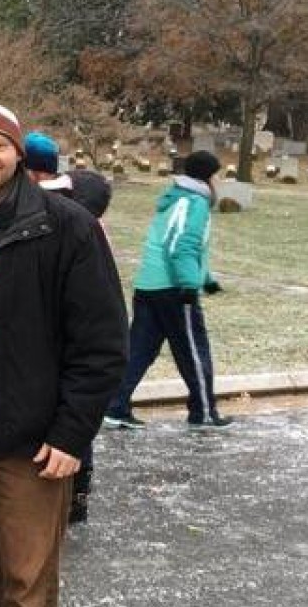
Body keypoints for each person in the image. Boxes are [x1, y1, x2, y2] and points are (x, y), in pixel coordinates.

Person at [0, 104, 126, 607]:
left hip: (31, 440)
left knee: (27, 581)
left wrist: (72, 433)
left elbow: (103, 340)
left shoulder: (66, 227)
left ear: (17, 153)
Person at [22, 130, 115, 524]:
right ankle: (78, 487)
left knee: (68, 408)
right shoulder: (83, 207)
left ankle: (72, 485)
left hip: (56, 336)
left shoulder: (66, 217)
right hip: (56, 341)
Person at [104, 149, 232, 431]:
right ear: (208, 176)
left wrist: (205, 278)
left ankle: (115, 407)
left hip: (149, 285)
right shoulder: (195, 202)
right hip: (173, 290)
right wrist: (189, 284)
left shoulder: (175, 198)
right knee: (194, 351)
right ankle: (204, 412)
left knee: (139, 349)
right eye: (217, 174)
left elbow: (181, 245)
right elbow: (180, 246)